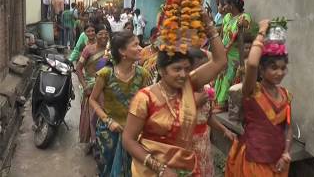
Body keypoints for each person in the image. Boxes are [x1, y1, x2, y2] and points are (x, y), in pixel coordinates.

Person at [122, 12, 227, 177]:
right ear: (161, 70)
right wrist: (161, 169)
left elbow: (220, 61)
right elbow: (128, 140)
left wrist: (209, 26)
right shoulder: (145, 98)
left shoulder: (188, 85)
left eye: (187, 68)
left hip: (189, 168)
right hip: (154, 171)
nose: (183, 74)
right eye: (177, 69)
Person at [225, 20, 293, 177]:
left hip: (278, 162)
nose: (280, 73)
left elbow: (288, 126)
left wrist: (286, 153)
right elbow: (252, 64)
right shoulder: (252, 91)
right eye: (274, 67)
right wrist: (262, 32)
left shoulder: (286, 95)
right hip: (253, 162)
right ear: (262, 70)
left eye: (283, 68)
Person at [89, 31, 150, 177]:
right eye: (135, 44)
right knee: (107, 170)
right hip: (109, 134)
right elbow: (92, 99)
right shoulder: (105, 74)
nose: (141, 48)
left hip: (134, 134)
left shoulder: (143, 75)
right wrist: (108, 120)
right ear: (122, 51)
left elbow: (146, 106)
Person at [189, 48, 236, 177]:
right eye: (201, 68)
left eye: (208, 67)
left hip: (203, 144)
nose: (207, 73)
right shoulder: (180, 92)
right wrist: (192, 103)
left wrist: (224, 130)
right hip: (186, 147)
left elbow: (208, 117)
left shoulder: (207, 90)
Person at [214, 0, 252, 113]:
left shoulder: (244, 17)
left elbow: (247, 29)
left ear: (231, 5)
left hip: (235, 54)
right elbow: (222, 34)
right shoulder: (227, 17)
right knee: (219, 77)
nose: (223, 7)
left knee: (227, 77)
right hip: (223, 52)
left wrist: (243, 24)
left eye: (225, 5)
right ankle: (216, 100)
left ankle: (223, 104)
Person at [75, 24, 109, 153]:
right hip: (91, 88)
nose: (104, 36)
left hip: (107, 88)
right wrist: (85, 86)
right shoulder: (88, 50)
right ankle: (93, 142)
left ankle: (103, 144)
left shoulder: (110, 50)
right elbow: (78, 68)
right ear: (95, 35)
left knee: (105, 117)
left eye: (106, 33)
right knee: (92, 117)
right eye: (100, 33)